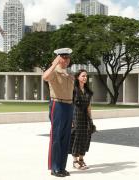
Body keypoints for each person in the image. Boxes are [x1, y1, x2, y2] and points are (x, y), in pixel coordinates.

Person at [43, 48, 74, 177]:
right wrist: (54, 64)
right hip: (58, 104)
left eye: (68, 57)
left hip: (68, 105)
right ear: (59, 58)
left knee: (66, 138)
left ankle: (62, 167)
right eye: (64, 57)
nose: (67, 60)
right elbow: (45, 77)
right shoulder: (54, 72)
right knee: (56, 137)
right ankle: (54, 167)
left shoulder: (68, 74)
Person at [69, 69, 94, 170]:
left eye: (86, 76)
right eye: (83, 76)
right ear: (77, 77)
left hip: (85, 117)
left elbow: (89, 106)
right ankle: (75, 161)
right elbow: (70, 105)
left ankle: (81, 159)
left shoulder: (88, 91)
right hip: (76, 116)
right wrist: (70, 120)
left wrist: (91, 119)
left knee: (86, 137)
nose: (85, 78)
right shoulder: (73, 90)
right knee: (77, 137)